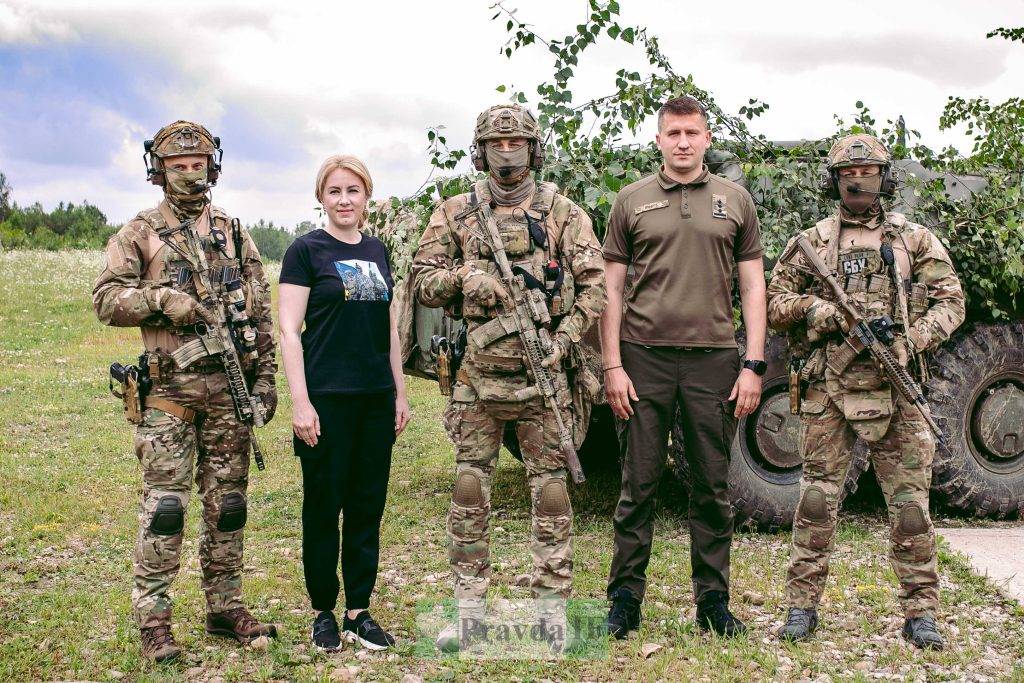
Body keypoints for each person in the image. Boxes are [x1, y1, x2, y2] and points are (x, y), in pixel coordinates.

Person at [412, 103, 606, 651]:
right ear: (481, 150)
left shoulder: (561, 211)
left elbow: (594, 286)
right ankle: (468, 610)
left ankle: (552, 611)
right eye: (497, 144)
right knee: (470, 488)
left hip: (543, 378)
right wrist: (463, 279)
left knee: (550, 493)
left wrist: (563, 340)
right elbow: (422, 281)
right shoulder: (456, 211)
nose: (507, 152)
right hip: (478, 380)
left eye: (517, 143)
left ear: (533, 148)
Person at [767, 133, 965, 650]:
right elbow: (774, 302)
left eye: (869, 173)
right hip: (829, 388)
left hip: (897, 388)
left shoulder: (914, 239)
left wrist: (912, 340)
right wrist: (820, 312)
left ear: (885, 178)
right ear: (834, 181)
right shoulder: (812, 241)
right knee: (815, 500)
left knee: (909, 506)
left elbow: (951, 302)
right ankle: (801, 608)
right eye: (849, 175)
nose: (859, 182)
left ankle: (921, 614)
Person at [93, 120, 278, 663]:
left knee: (229, 507)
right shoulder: (141, 231)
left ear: (212, 165)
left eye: (198, 163)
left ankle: (224, 606)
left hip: (229, 392)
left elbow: (260, 313)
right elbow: (106, 299)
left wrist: (265, 381)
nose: (190, 173)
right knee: (166, 508)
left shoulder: (234, 230)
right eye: (179, 165)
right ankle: (154, 622)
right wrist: (163, 301)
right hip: (169, 395)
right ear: (160, 170)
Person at [601, 95, 768, 639]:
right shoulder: (631, 201)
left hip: (714, 360)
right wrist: (612, 366)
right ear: (658, 140)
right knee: (638, 485)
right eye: (673, 133)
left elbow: (752, 286)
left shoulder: (735, 201)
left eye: (692, 133)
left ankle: (713, 602)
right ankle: (625, 599)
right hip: (643, 359)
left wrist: (753, 364)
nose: (682, 143)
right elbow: (612, 290)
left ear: (707, 138)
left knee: (711, 487)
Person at [279, 155, 410, 652]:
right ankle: (323, 613)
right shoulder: (305, 251)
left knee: (365, 505)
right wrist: (300, 402)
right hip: (326, 400)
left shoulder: (377, 251)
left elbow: (389, 332)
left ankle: (358, 610)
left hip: (375, 400)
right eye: (334, 191)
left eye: (353, 191)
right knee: (323, 505)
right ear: (321, 198)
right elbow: (290, 331)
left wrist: (398, 392)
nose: (344, 200)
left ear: (366, 196)